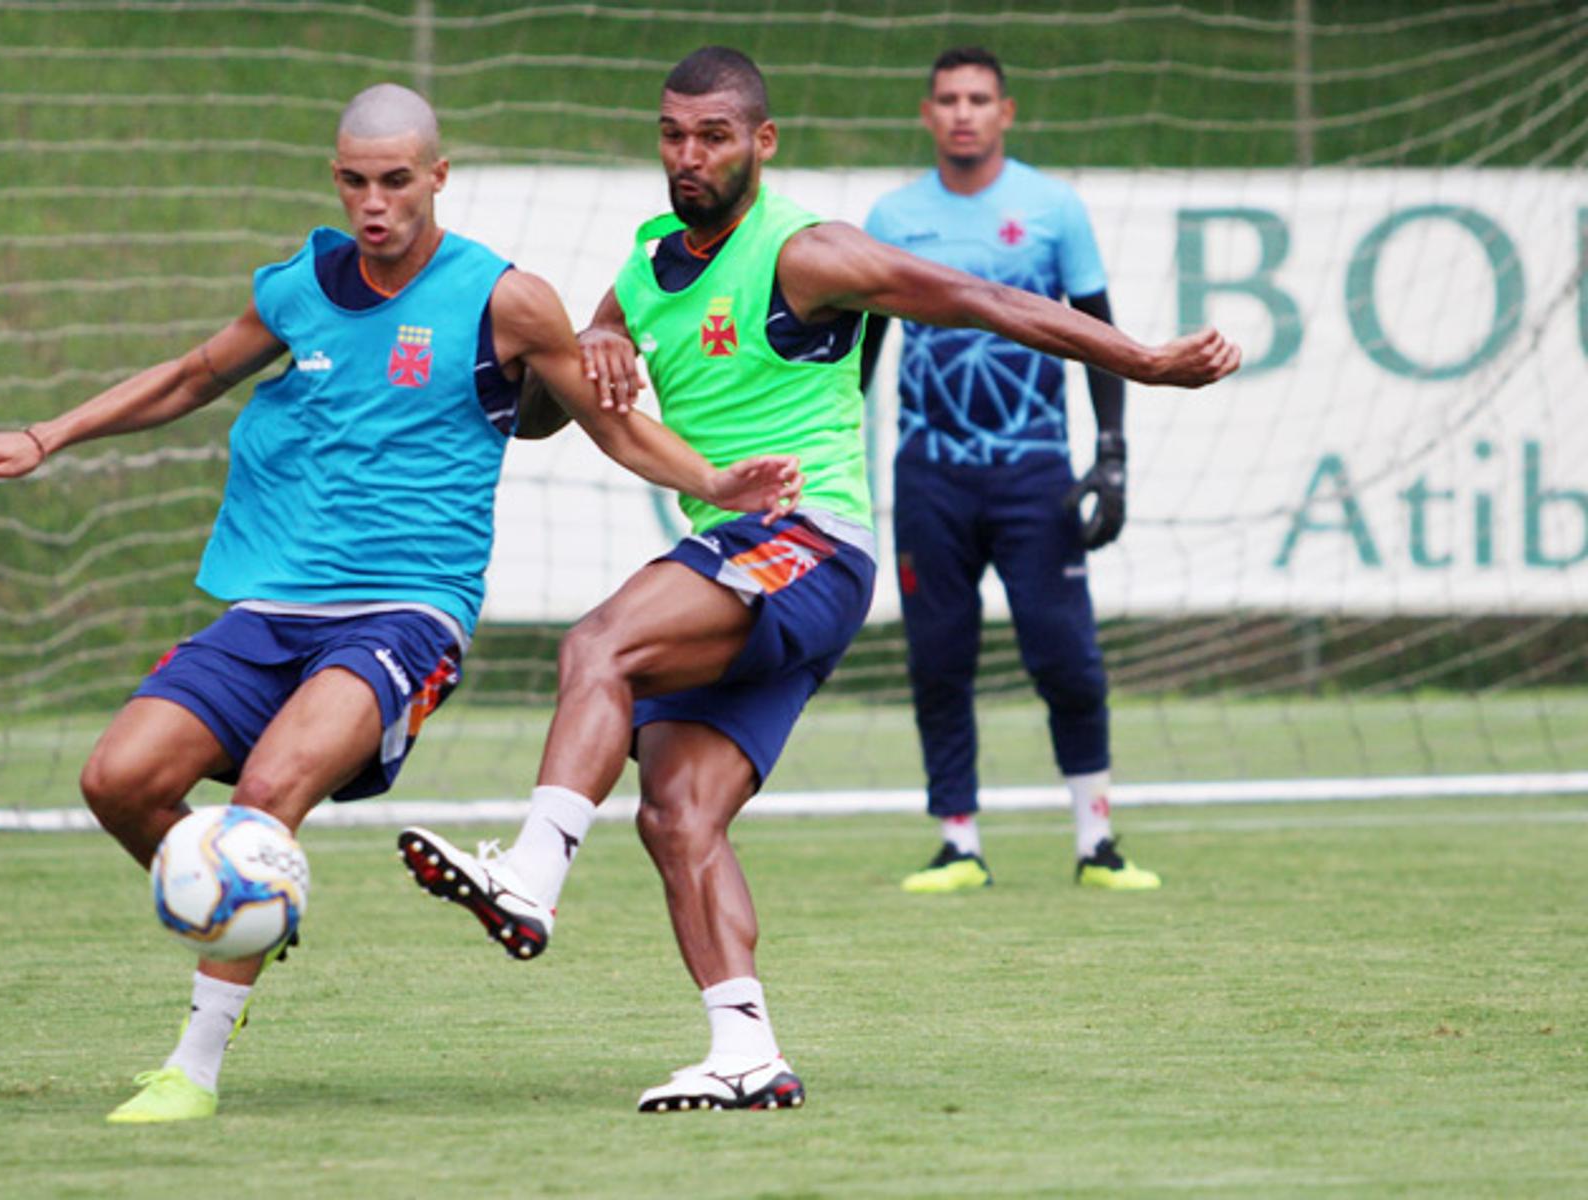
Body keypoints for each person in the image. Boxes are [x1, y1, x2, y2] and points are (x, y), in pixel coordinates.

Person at [0, 83, 802, 1125]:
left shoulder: (505, 298)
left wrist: (711, 484)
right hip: (267, 611)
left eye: (397, 181)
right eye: (355, 181)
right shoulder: (302, 283)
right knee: (116, 779)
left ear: (437, 177)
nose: (375, 202)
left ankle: (194, 1065)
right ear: (336, 180)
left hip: (406, 613)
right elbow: (188, 376)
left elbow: (606, 426)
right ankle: (254, 905)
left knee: (269, 788)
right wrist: (45, 436)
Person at [397, 47, 1239, 1113]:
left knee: (596, 644)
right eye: (672, 134)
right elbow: (597, 349)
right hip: (739, 562)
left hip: (808, 546)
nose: (688, 155)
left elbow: (980, 298)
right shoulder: (653, 250)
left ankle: (532, 874)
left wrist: (1146, 364)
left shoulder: (807, 251)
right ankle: (745, 1050)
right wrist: (598, 339)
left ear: (763, 141)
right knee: (678, 813)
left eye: (712, 136)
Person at [861, 46, 1157, 896]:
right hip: (930, 478)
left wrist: (1113, 455)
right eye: (948, 98)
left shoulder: (1053, 208)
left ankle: (1095, 841)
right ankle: (959, 844)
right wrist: (835, 453)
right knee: (938, 660)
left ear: (1006, 113)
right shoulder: (891, 217)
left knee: (1066, 658)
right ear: (927, 114)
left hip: (1037, 478)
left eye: (978, 98)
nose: (962, 112)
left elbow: (1102, 335)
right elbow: (862, 355)